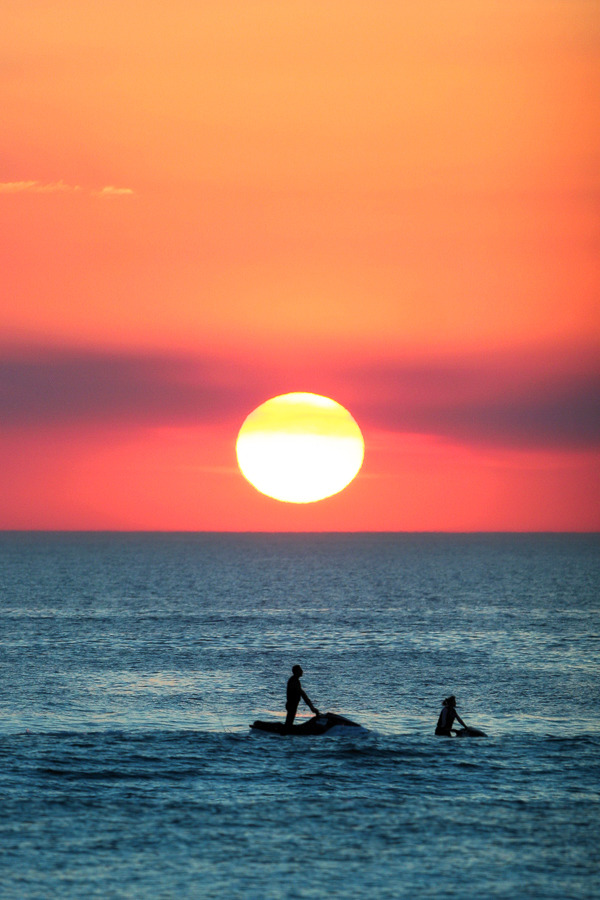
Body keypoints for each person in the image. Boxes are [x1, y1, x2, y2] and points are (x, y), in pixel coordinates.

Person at [285, 664, 319, 729]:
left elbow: (302, 694)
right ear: (296, 672)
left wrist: (311, 707)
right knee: (289, 722)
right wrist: (311, 707)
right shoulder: (293, 681)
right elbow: (302, 694)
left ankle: (287, 729)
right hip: (291, 704)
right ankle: (286, 731)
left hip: (293, 704)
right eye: (300, 670)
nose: (302, 671)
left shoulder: (295, 680)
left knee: (289, 722)